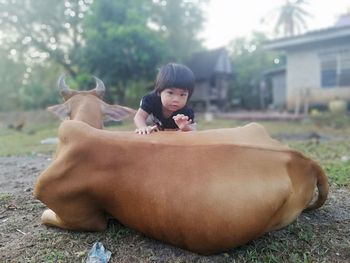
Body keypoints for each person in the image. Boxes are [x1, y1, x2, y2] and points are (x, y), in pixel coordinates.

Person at [134, 63, 196, 134]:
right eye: (170, 93)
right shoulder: (150, 100)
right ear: (160, 91)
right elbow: (139, 116)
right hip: (152, 128)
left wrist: (185, 127)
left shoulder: (186, 112)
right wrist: (143, 127)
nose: (176, 99)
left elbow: (194, 130)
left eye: (182, 94)